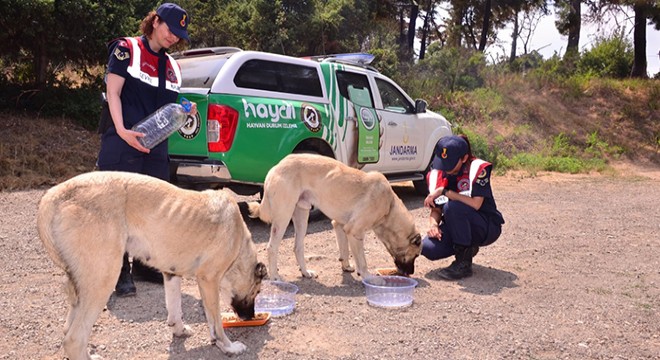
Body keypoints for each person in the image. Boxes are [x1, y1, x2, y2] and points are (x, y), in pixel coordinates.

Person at [97, 3, 197, 297]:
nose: (174, 38)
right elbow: (113, 94)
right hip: (122, 141)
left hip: (155, 148)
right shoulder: (125, 49)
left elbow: (166, 111)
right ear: (155, 22)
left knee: (153, 208)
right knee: (119, 208)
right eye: (171, 30)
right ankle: (119, 271)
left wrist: (184, 111)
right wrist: (122, 131)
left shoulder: (173, 66)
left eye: (179, 34)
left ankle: (144, 264)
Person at [421, 135, 505, 280]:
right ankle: (468, 247)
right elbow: (437, 209)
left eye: (450, 163)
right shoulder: (439, 173)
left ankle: (463, 264)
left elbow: (476, 204)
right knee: (428, 248)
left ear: (464, 158)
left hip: (485, 226)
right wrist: (433, 224)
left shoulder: (477, 170)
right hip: (458, 225)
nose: (445, 168)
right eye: (443, 162)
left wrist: (445, 191)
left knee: (452, 207)